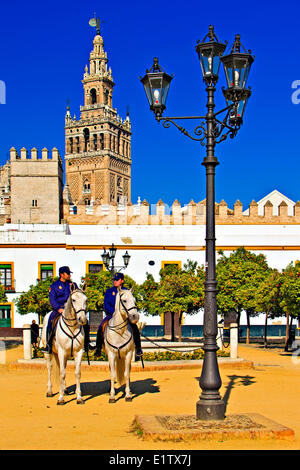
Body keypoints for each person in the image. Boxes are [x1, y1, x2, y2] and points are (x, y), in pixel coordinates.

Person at [93, 272, 143, 359]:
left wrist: (127, 313)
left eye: (117, 280)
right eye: (114, 280)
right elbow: (106, 305)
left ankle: (138, 348)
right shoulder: (109, 291)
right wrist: (115, 313)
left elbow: (130, 303)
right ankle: (98, 348)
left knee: (134, 327)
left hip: (125, 316)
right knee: (101, 326)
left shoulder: (127, 291)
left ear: (122, 281)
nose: (115, 281)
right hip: (111, 315)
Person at [44, 266, 90, 353]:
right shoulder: (54, 286)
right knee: (51, 320)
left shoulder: (73, 285)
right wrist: (58, 309)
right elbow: (52, 300)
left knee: (85, 322)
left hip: (72, 309)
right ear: (62, 274)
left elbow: (78, 296)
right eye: (67, 274)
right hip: (59, 309)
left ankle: (87, 343)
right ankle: (49, 344)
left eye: (69, 274)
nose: (69, 275)